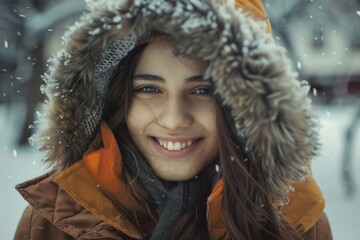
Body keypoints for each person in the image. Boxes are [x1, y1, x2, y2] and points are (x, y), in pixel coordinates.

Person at [14, 0, 332, 239]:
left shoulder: (295, 219)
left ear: (244, 105)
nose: (175, 119)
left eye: (203, 90)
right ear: (112, 99)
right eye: (149, 88)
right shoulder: (54, 223)